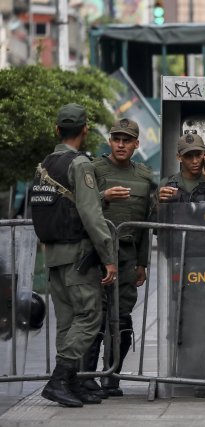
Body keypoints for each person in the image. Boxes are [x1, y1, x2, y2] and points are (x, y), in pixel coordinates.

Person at [29, 103, 117, 407]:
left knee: (67, 322)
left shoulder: (44, 164)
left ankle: (71, 383)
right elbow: (91, 216)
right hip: (78, 257)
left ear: (57, 130)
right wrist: (108, 256)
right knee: (90, 317)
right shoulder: (80, 165)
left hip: (53, 255)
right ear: (85, 130)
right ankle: (59, 380)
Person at [81, 118, 156, 397]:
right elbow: (81, 205)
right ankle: (88, 376)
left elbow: (147, 224)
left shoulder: (145, 176)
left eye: (127, 140)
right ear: (110, 141)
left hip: (127, 255)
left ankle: (111, 376)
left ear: (137, 144)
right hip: (96, 254)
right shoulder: (94, 169)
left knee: (122, 317)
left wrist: (142, 262)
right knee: (95, 316)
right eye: (116, 139)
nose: (121, 144)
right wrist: (103, 196)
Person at [158, 133, 205, 204]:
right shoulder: (166, 184)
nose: (195, 161)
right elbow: (155, 215)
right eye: (188, 156)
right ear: (179, 157)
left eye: (198, 155)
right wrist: (159, 202)